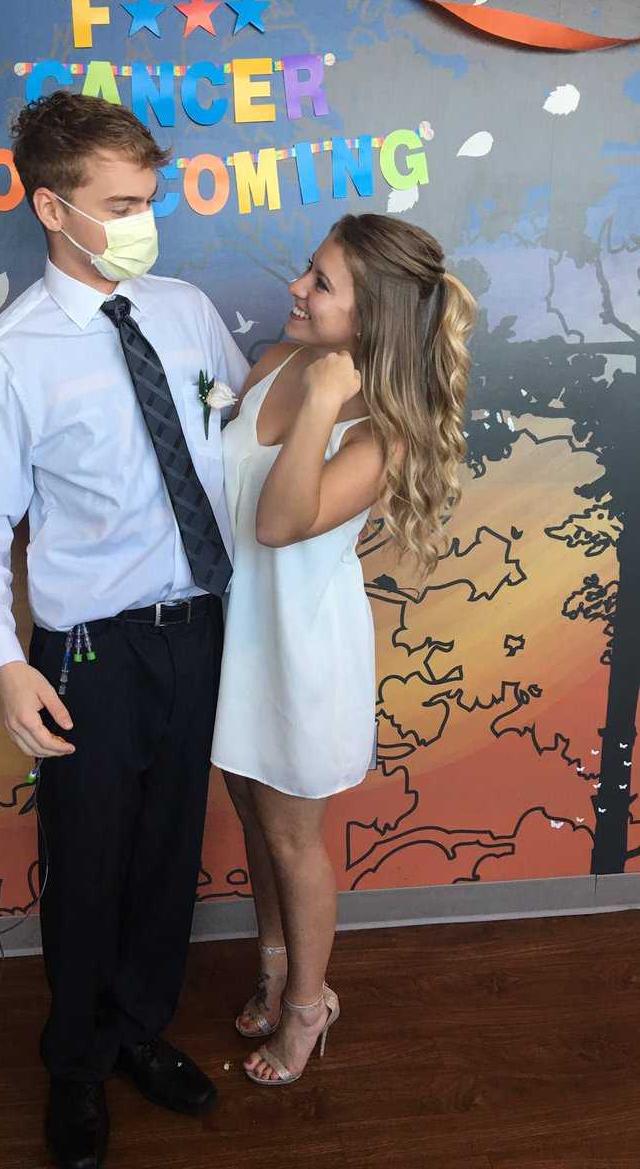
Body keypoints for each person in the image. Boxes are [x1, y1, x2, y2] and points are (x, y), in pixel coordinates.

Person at [0, 91, 248, 1169]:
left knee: (169, 850)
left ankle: (140, 1029)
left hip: (198, 627)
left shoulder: (187, 311)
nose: (141, 222)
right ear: (51, 208)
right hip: (89, 652)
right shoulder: (14, 355)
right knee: (90, 861)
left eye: (148, 200)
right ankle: (74, 1062)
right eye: (119, 205)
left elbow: (238, 437)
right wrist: (6, 664)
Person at [211, 213, 477, 1086]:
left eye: (320, 283)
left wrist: (327, 398)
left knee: (294, 839)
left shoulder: (381, 430)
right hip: (235, 634)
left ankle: (307, 1005)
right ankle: (275, 964)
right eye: (308, 270)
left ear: (372, 315)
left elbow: (280, 522)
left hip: (301, 649)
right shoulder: (274, 362)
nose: (296, 287)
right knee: (252, 813)